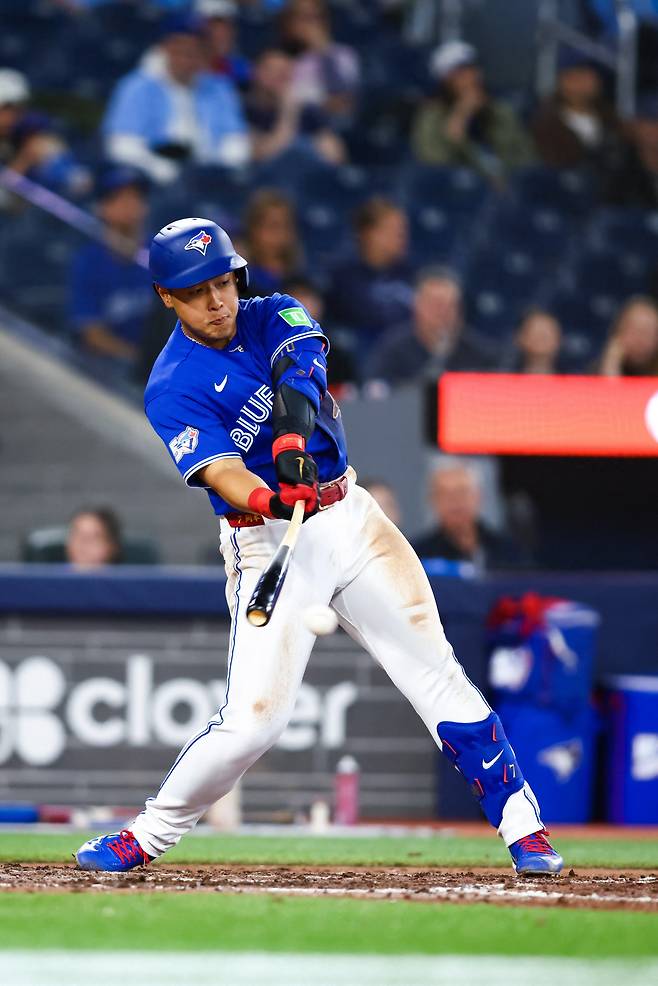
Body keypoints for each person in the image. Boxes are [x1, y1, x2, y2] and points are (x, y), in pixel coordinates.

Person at [75, 216, 562, 876]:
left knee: (435, 671)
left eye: (222, 283)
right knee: (254, 723)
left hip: (350, 517)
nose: (217, 301)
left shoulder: (275, 311)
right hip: (268, 540)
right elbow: (221, 473)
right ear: (167, 296)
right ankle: (147, 834)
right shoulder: (171, 385)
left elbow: (300, 375)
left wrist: (291, 445)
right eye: (197, 291)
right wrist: (273, 497)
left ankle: (525, 830)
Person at [102, 13, 249, 185]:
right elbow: (122, 146)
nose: (186, 60)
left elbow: (236, 141)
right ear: (166, 48)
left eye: (194, 52)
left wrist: (219, 169)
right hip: (154, 179)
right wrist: (161, 170)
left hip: (208, 177)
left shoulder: (219, 88)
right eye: (180, 51)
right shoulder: (137, 87)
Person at [410, 41, 534, 180]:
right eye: (461, 73)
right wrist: (461, 116)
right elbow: (436, 164)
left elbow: (527, 160)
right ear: (445, 81)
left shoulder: (500, 112)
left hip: (509, 191)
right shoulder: (431, 117)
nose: (472, 77)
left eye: (473, 69)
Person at [70, 165, 153, 371]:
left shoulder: (162, 253)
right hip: (112, 369)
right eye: (119, 198)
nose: (130, 204)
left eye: (136, 197)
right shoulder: (89, 261)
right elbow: (91, 333)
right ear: (102, 208)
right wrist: (140, 360)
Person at [366, 267, 493, 385]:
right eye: (436, 305)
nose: (443, 313)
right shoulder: (393, 350)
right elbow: (377, 395)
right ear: (417, 306)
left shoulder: (479, 352)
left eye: (451, 305)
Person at [326, 197, 414, 349]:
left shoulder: (412, 275)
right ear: (369, 234)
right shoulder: (344, 277)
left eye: (403, 230)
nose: (402, 237)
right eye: (393, 230)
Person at [412, 460, 528, 570]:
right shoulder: (417, 556)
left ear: (478, 496)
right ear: (433, 500)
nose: (455, 501)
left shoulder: (508, 551)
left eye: (462, 492)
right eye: (445, 494)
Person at [244, 47, 346, 165]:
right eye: (275, 71)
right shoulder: (245, 109)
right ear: (257, 72)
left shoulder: (307, 110)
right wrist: (288, 114)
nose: (282, 78)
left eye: (286, 73)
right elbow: (260, 154)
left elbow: (335, 156)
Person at [0, 68, 88, 201]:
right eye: (7, 108)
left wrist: (60, 164)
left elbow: (80, 182)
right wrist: (24, 161)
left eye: (18, 110)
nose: (12, 117)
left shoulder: (19, 137)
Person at [531, 56, 627, 176]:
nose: (588, 81)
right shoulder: (545, 123)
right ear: (563, 80)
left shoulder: (612, 119)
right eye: (580, 75)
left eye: (593, 75)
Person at [278, 0, 360, 128]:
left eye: (314, 18)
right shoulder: (275, 57)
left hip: (328, 125)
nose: (308, 25)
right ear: (288, 22)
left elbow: (341, 101)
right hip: (286, 126)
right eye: (301, 17)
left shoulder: (342, 55)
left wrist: (323, 51)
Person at [241, 188, 303, 296]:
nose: (280, 233)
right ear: (254, 229)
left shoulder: (301, 281)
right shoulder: (242, 282)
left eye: (286, 226)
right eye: (272, 226)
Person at [596, 296, 658, 376]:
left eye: (648, 333)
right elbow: (608, 387)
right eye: (635, 331)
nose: (640, 340)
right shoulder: (595, 371)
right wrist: (611, 364)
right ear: (618, 331)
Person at [196, 0, 251, 88]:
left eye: (228, 27)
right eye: (214, 27)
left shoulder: (240, 68)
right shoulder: (188, 66)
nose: (223, 34)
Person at [500, 308, 567, 374]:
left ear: (559, 339)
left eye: (546, 334)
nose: (541, 338)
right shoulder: (501, 377)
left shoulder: (574, 378)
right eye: (536, 333)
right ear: (520, 337)